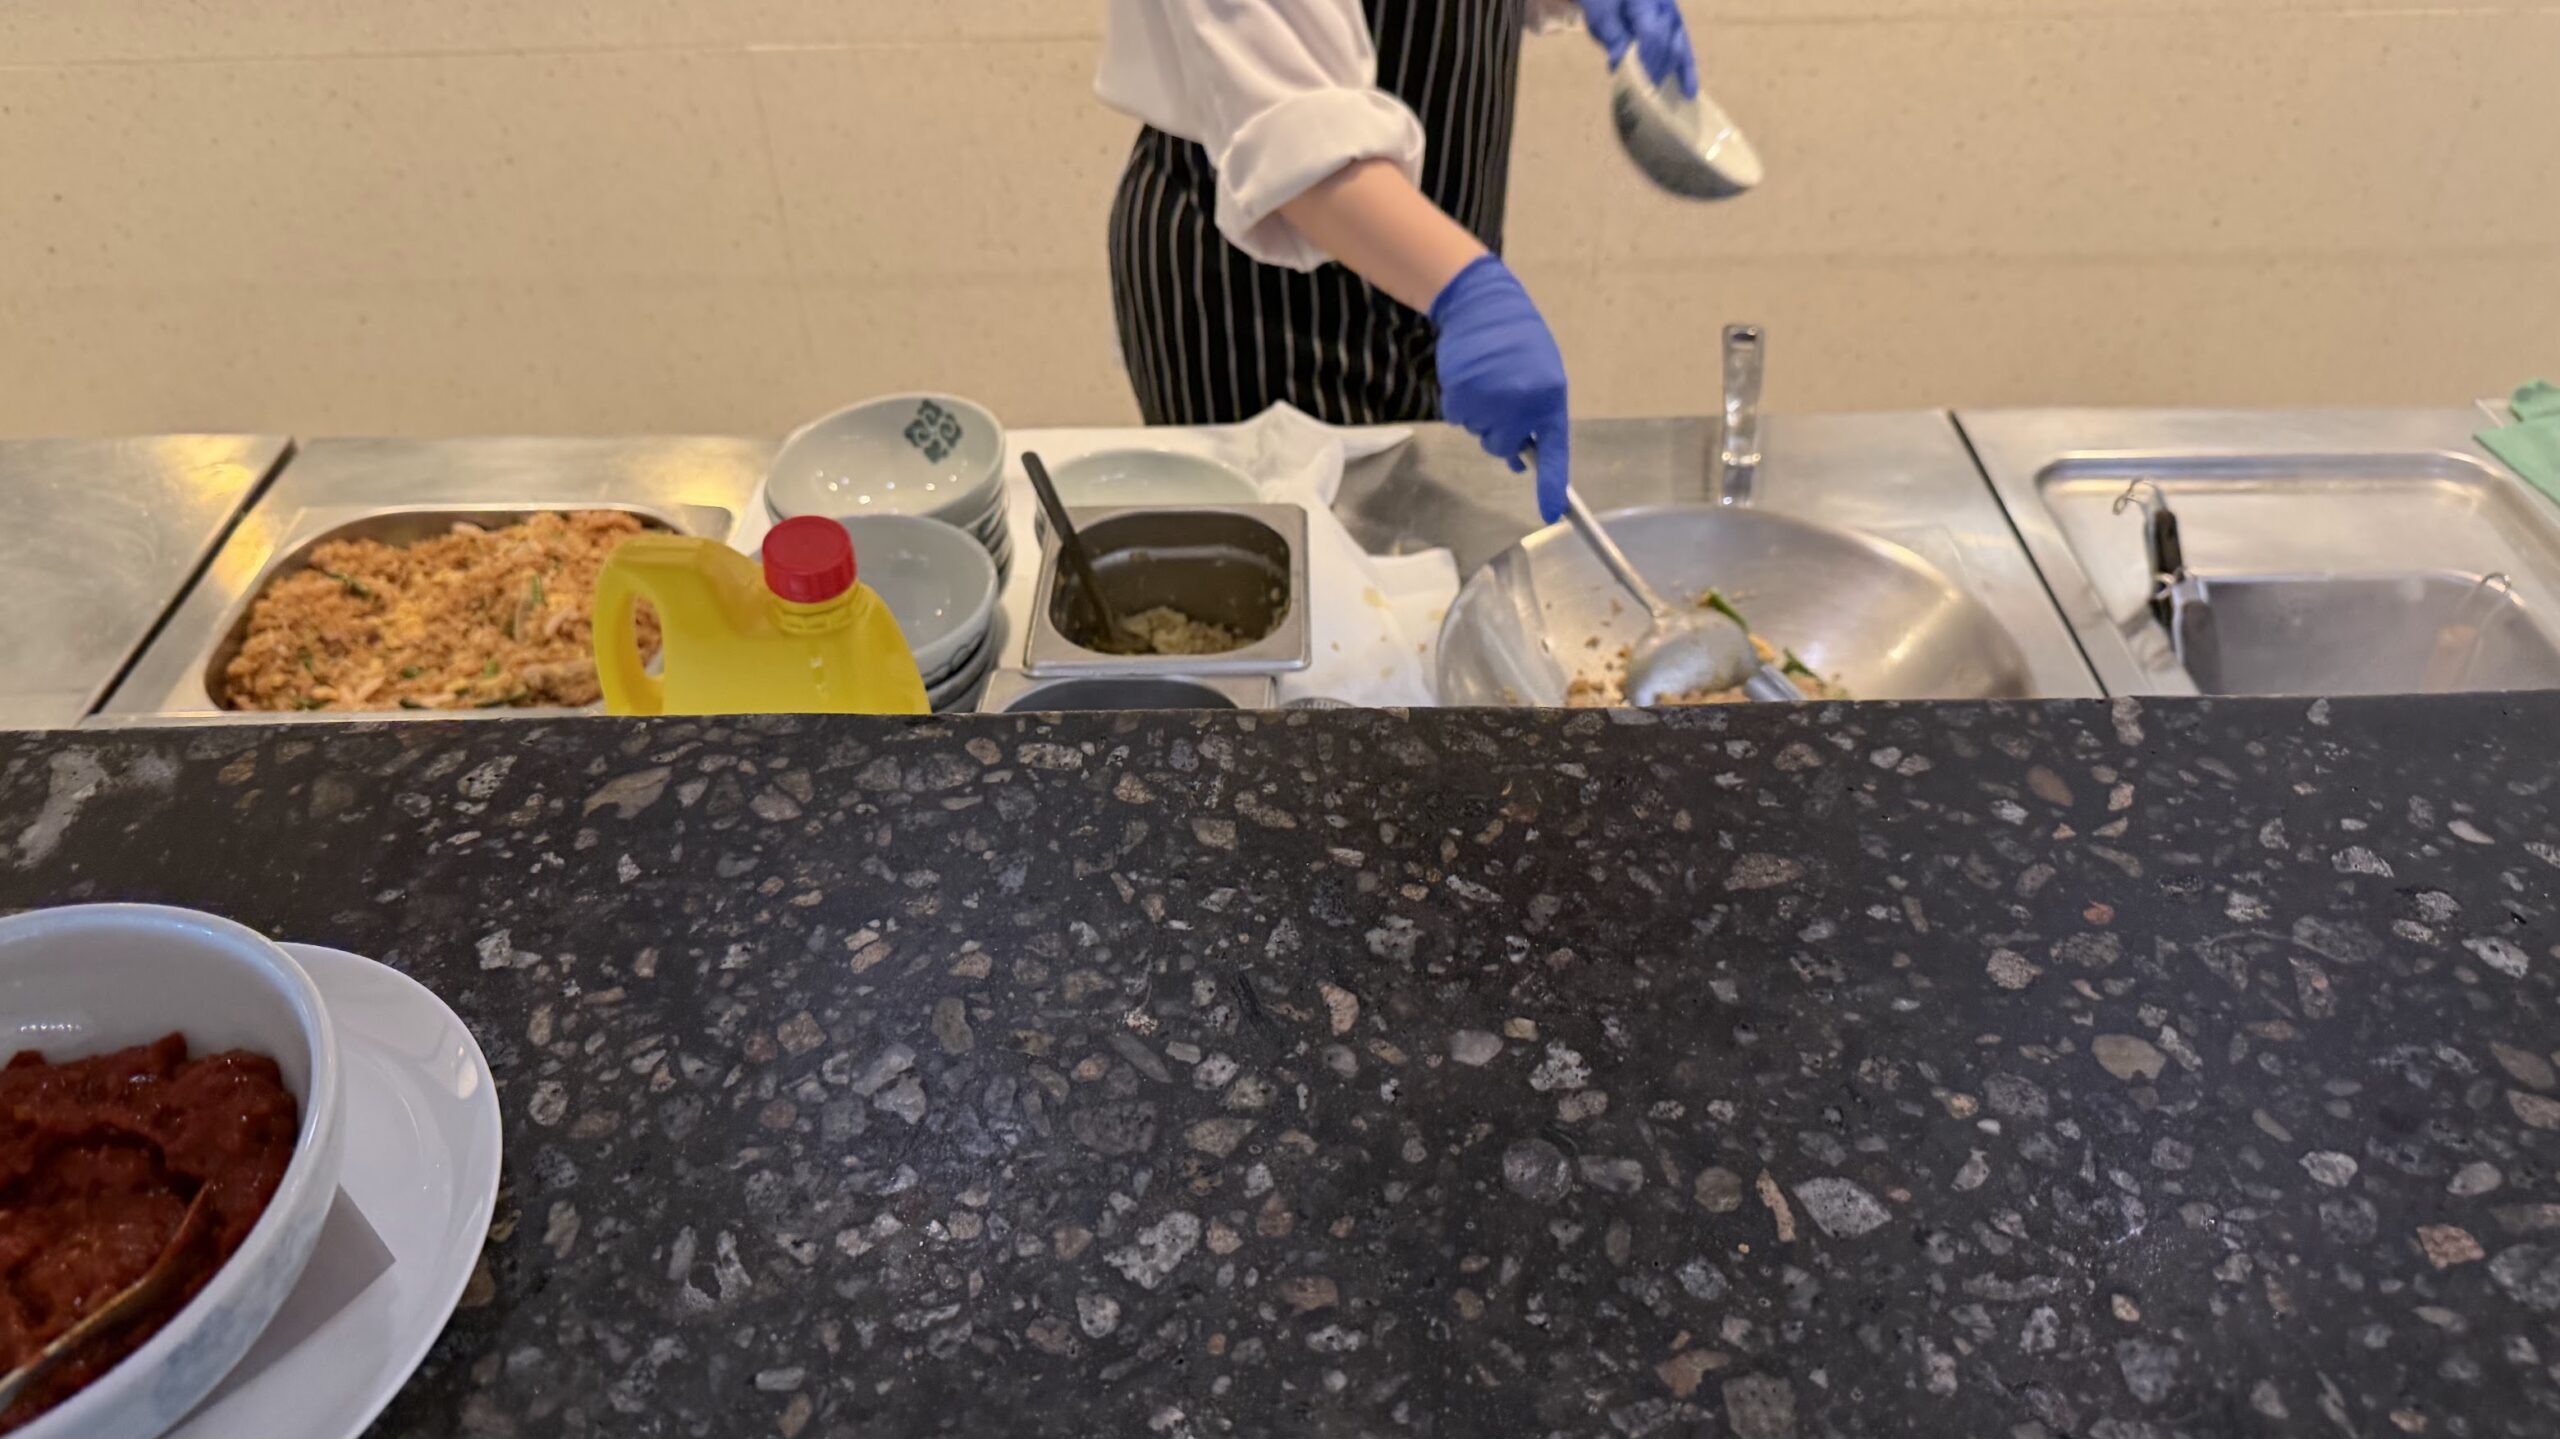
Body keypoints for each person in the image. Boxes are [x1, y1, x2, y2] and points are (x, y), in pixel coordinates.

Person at [1098, 0, 1698, 523]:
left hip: (1428, 276)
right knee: (1305, 603)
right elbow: (1288, 121)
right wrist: (1467, 289)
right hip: (1261, 294)